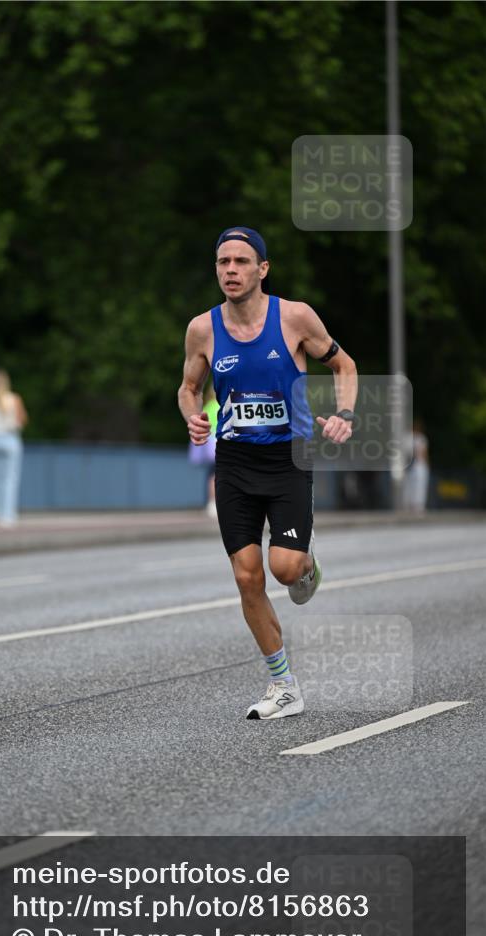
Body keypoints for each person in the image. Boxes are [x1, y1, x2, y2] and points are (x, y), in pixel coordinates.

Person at [178, 227, 358, 719]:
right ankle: (284, 685)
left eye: (241, 261)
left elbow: (344, 366)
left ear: (262, 269)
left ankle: (306, 562)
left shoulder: (294, 317)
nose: (230, 270)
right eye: (223, 262)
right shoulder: (202, 329)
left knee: (285, 569)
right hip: (234, 462)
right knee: (246, 575)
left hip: (288, 459)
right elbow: (188, 387)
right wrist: (192, 415)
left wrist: (344, 415)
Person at [0, 370, 28, 525]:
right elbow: (22, 420)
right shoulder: (14, 399)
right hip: (10, 439)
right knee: (9, 479)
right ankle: (7, 515)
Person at [188, 385, 220, 517]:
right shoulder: (221, 406)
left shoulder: (207, 407)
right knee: (219, 474)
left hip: (208, 445)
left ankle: (212, 503)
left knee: (212, 474)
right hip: (220, 443)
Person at [403, 419, 430, 513]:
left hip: (418, 464)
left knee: (418, 485)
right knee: (410, 485)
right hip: (412, 465)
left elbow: (424, 453)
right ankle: (412, 505)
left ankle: (417, 505)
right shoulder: (409, 438)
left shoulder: (421, 438)